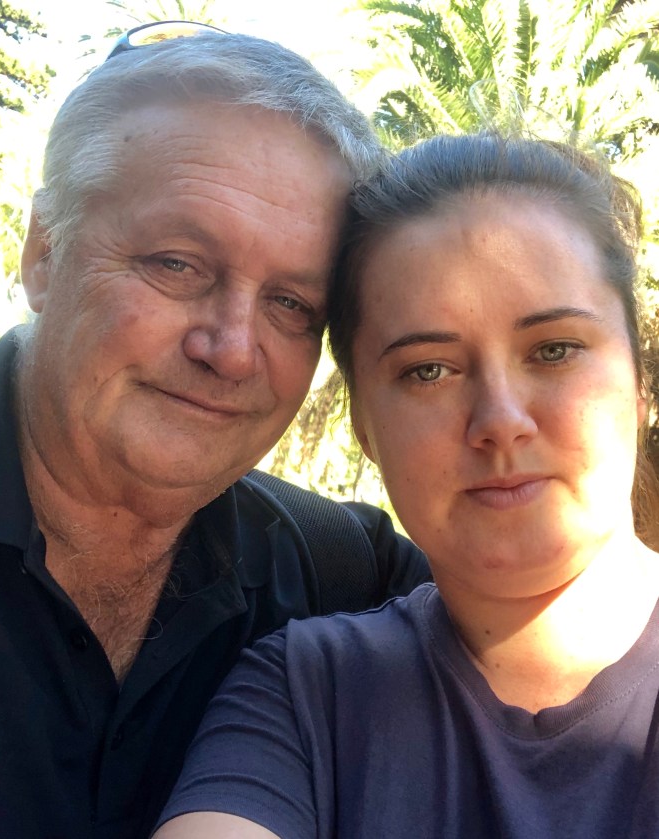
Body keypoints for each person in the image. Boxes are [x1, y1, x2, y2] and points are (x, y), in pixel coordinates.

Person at [0, 23, 431, 839]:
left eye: (291, 304)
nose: (231, 349)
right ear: (43, 254)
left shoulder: (340, 576)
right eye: (176, 264)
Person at [153, 132, 659, 839]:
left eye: (554, 350)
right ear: (364, 425)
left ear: (639, 384)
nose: (500, 421)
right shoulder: (305, 694)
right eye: (428, 370)